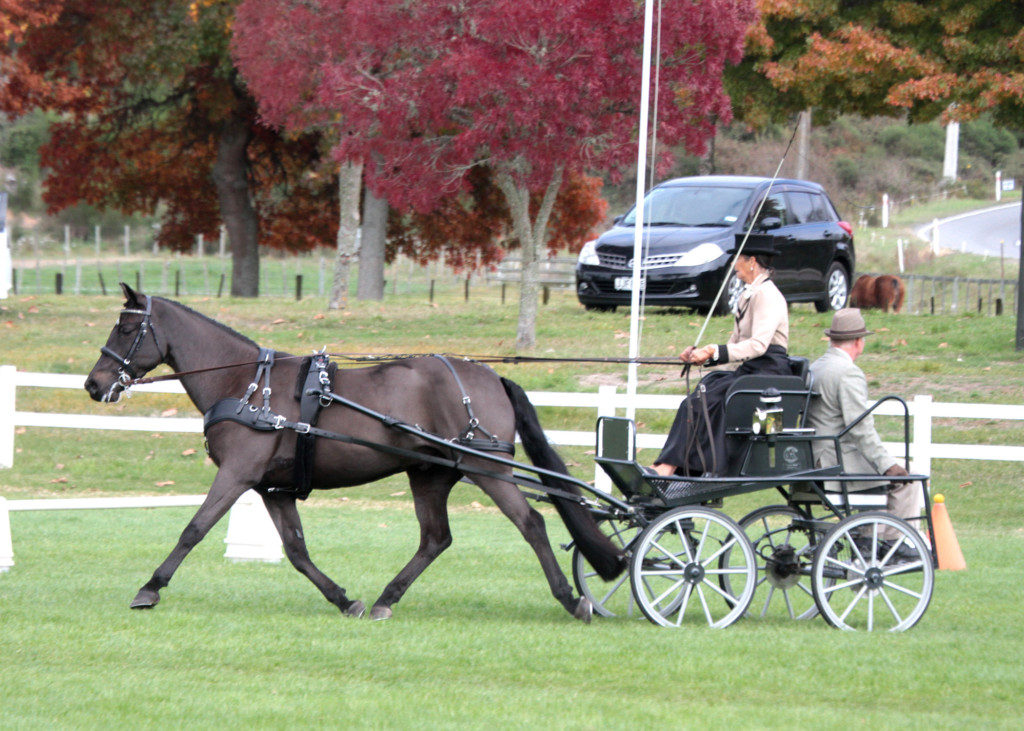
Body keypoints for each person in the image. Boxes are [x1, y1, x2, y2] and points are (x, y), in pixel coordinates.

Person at [652, 235, 790, 477]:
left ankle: (672, 466)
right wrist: (703, 356)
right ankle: (683, 466)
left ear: (752, 262)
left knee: (706, 400)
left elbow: (758, 345)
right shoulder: (748, 294)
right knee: (702, 393)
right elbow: (735, 346)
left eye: (737, 259)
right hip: (750, 370)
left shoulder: (768, 295)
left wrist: (714, 351)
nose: (734, 264)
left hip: (767, 373)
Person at [804, 308, 916, 542]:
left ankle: (872, 538)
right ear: (858, 341)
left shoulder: (816, 367)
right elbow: (860, 428)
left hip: (815, 459)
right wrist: (888, 465)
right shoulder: (848, 373)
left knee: (885, 471)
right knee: (909, 477)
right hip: (836, 463)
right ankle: (891, 544)